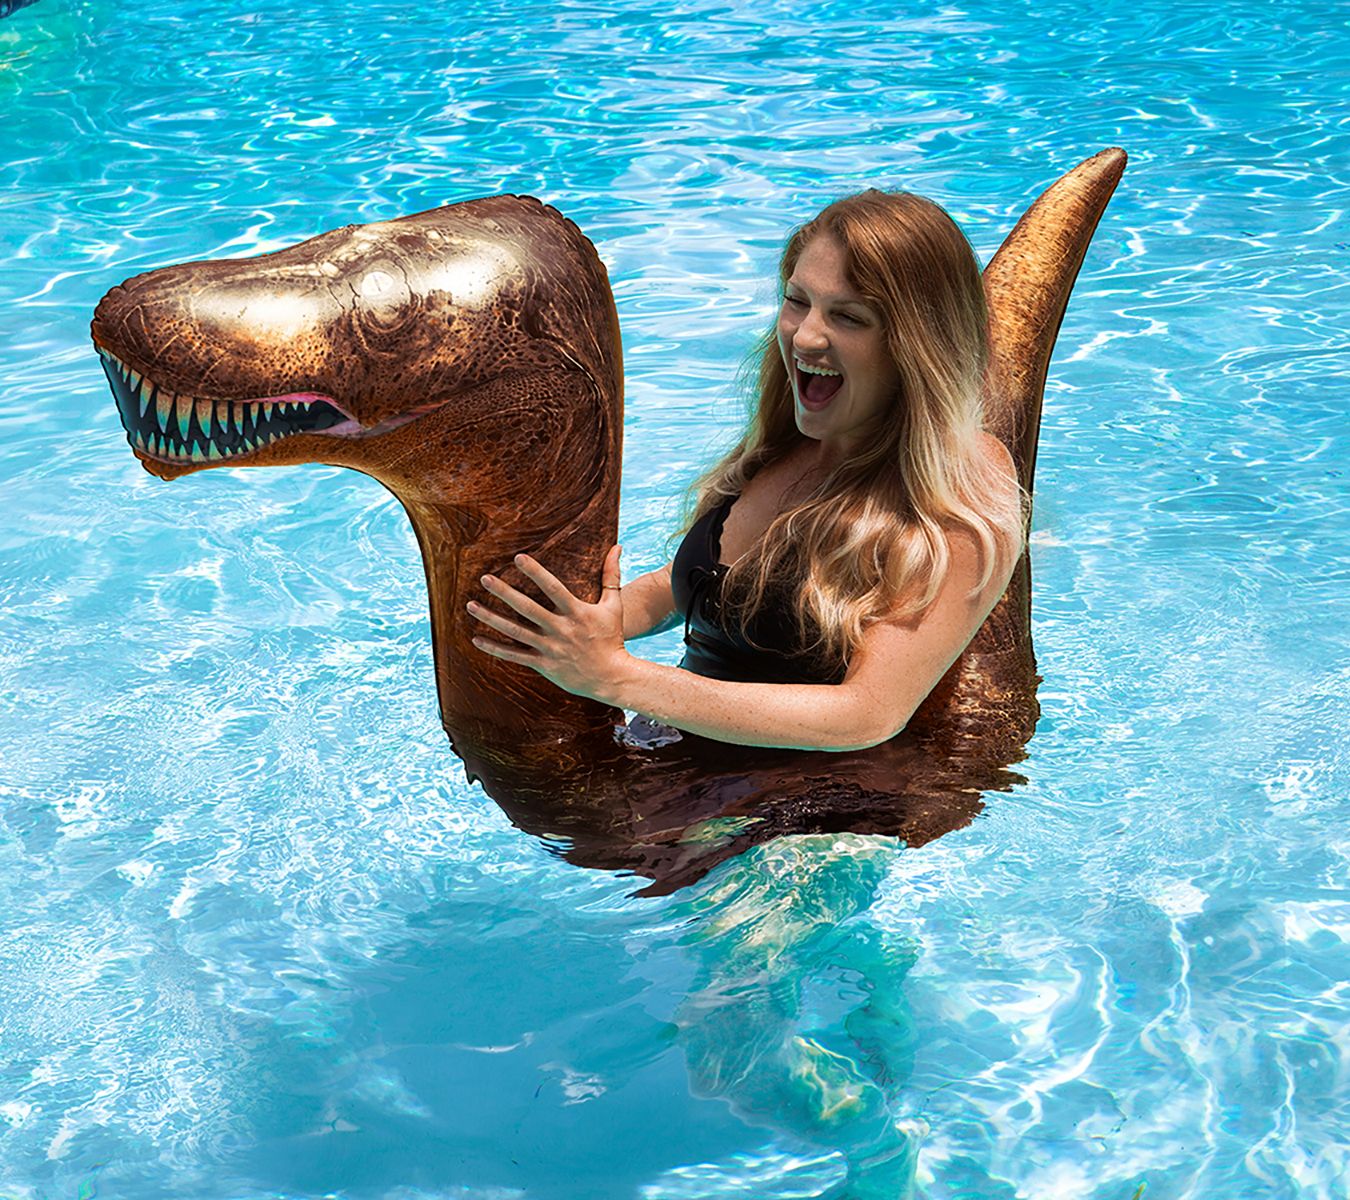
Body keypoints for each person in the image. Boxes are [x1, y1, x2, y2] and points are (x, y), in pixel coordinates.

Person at [466, 189, 1026, 752]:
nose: (805, 335)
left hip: (814, 797)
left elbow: (867, 713)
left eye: (848, 317)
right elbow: (702, 586)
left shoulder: (957, 491)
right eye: (797, 300)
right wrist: (590, 626)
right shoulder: (791, 443)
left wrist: (617, 677)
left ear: (919, 345)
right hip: (674, 755)